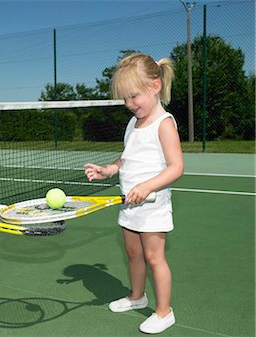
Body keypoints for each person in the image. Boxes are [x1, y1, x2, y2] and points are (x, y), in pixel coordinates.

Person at [84, 53, 183, 334]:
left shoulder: (164, 123)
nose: (129, 104)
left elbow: (177, 167)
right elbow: (128, 158)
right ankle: (137, 297)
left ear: (154, 86)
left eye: (133, 96)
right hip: (129, 203)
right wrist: (110, 170)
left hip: (152, 204)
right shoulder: (133, 123)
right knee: (132, 252)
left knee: (154, 257)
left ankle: (165, 312)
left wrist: (148, 186)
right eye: (125, 99)